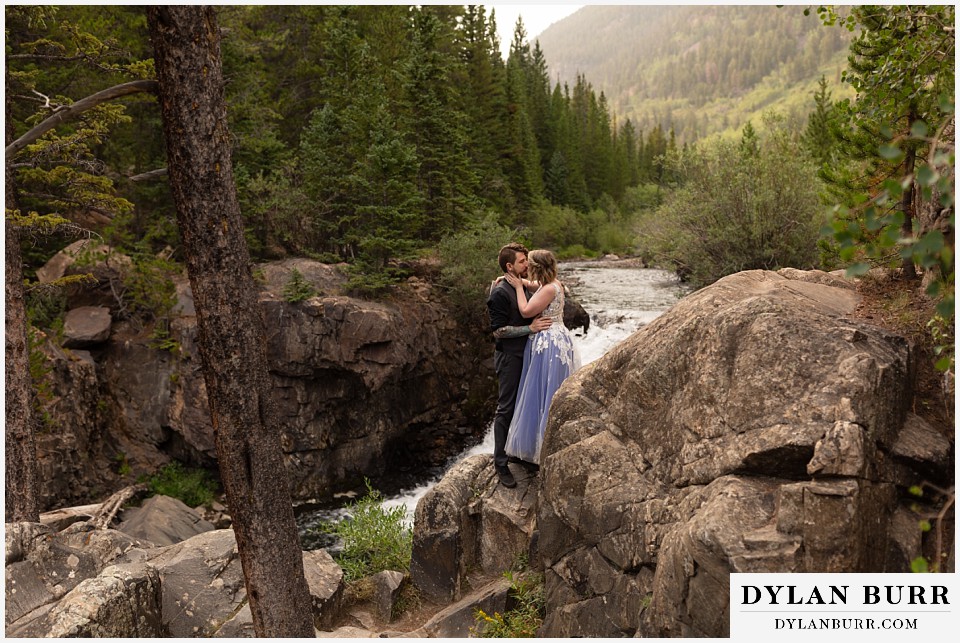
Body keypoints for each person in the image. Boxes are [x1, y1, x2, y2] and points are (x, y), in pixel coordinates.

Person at [504, 249, 581, 466]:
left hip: (549, 343)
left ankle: (540, 449)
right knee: (547, 389)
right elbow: (535, 286)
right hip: (558, 338)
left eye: (529, 264)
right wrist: (520, 281)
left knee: (542, 391)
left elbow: (526, 311)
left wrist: (518, 288)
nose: (526, 267)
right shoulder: (555, 283)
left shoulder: (548, 289)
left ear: (537, 267)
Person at [487, 243, 552, 488]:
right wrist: (530, 328)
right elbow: (498, 331)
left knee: (524, 405)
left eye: (527, 260)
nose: (527, 265)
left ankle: (516, 453)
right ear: (509, 266)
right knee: (506, 408)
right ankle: (500, 463)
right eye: (523, 261)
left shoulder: (521, 285)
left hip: (527, 355)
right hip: (509, 358)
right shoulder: (499, 293)